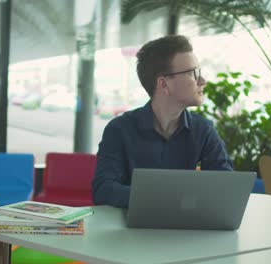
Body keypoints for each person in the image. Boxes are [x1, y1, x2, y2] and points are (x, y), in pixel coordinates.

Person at [92, 35, 233, 208]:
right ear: (163, 84)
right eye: (192, 73)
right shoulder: (119, 130)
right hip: (131, 230)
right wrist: (166, 199)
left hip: (185, 228)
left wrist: (169, 199)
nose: (202, 81)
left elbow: (226, 186)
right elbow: (103, 190)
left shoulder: (203, 130)